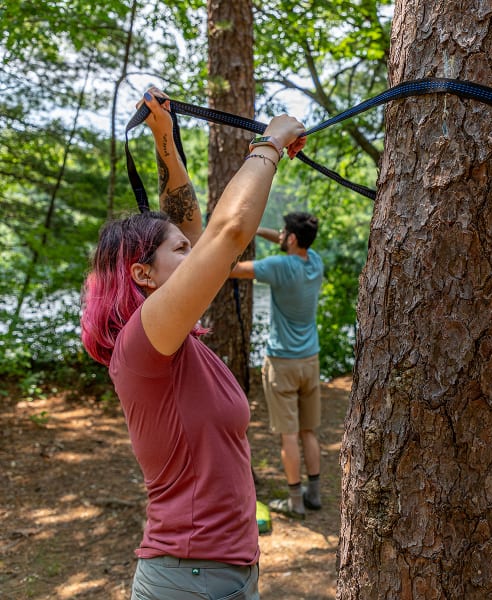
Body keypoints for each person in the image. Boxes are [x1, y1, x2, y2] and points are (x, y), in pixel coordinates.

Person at [80, 86, 305, 600]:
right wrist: (268, 144)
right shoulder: (144, 343)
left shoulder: (167, 340)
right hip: (189, 580)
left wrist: (166, 140)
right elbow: (226, 234)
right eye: (183, 250)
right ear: (143, 274)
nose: (195, 249)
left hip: (215, 574)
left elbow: (189, 228)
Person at [230, 213, 324, 520]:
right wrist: (255, 228)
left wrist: (235, 236)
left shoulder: (279, 267)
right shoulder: (315, 262)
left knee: (288, 434)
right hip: (310, 361)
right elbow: (287, 241)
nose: (280, 235)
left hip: (282, 362)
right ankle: (315, 493)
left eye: (284, 232)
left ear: (292, 238)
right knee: (308, 431)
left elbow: (232, 270)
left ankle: (295, 501)